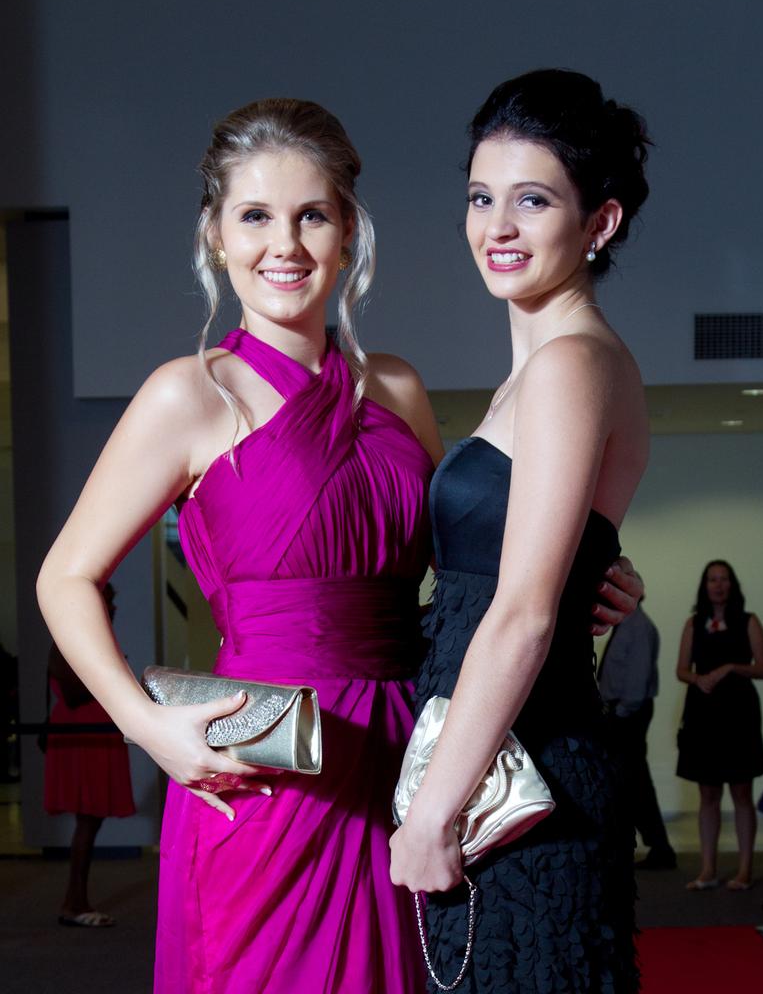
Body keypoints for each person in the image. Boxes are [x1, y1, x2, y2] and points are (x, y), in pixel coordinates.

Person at [37, 97, 642, 992]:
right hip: (270, 777)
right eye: (254, 217)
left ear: (349, 230)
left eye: (311, 215)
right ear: (215, 234)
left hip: (415, 759)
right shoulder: (185, 397)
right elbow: (65, 578)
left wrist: (599, 571)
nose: (284, 245)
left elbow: (478, 563)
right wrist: (147, 728)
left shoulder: (396, 388)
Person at [389, 69, 651, 993]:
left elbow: (525, 617)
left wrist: (431, 813)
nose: (495, 227)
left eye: (531, 200)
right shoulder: (548, 368)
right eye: (480, 197)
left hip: (519, 775)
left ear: (599, 222)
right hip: (501, 758)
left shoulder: (572, 364)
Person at [44, 582, 136, 927]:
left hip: (96, 734)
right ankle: (74, 901)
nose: (114, 608)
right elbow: (71, 690)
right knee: (87, 819)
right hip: (83, 737)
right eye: (108, 601)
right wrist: (113, 670)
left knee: (91, 820)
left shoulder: (92, 634)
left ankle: (76, 899)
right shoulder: (71, 634)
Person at [676, 559, 763, 892]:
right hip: (703, 713)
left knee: (742, 792)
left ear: (733, 584)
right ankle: (707, 869)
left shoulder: (748, 621)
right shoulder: (693, 623)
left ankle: (743, 870)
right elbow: (681, 670)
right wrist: (698, 678)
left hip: (739, 713)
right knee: (708, 793)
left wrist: (730, 667)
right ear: (705, 585)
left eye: (724, 579)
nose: (718, 585)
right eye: (713, 579)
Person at [598, 591, 676, 869]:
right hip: (624, 713)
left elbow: (637, 679)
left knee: (633, 780)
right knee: (630, 779)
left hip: (627, 714)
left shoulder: (638, 627)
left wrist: (619, 713)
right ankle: (653, 846)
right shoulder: (628, 625)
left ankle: (659, 848)